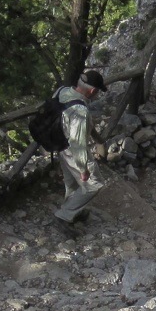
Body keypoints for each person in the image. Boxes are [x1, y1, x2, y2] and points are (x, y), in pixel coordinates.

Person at [54, 69, 108, 226]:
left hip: (59, 143)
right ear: (92, 91)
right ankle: (64, 215)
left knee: (71, 182)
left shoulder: (61, 91)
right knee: (94, 183)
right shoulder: (80, 111)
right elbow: (78, 143)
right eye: (97, 92)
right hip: (71, 150)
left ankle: (73, 210)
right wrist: (83, 169)